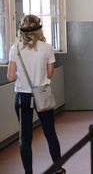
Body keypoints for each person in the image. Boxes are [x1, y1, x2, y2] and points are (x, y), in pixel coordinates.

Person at [7, 15, 66, 174]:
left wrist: (24, 76)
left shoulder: (15, 48)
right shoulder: (47, 47)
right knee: (50, 133)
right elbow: (49, 74)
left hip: (22, 97)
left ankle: (28, 172)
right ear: (39, 29)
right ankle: (58, 168)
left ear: (22, 29)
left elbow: (11, 77)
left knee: (25, 138)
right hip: (42, 93)